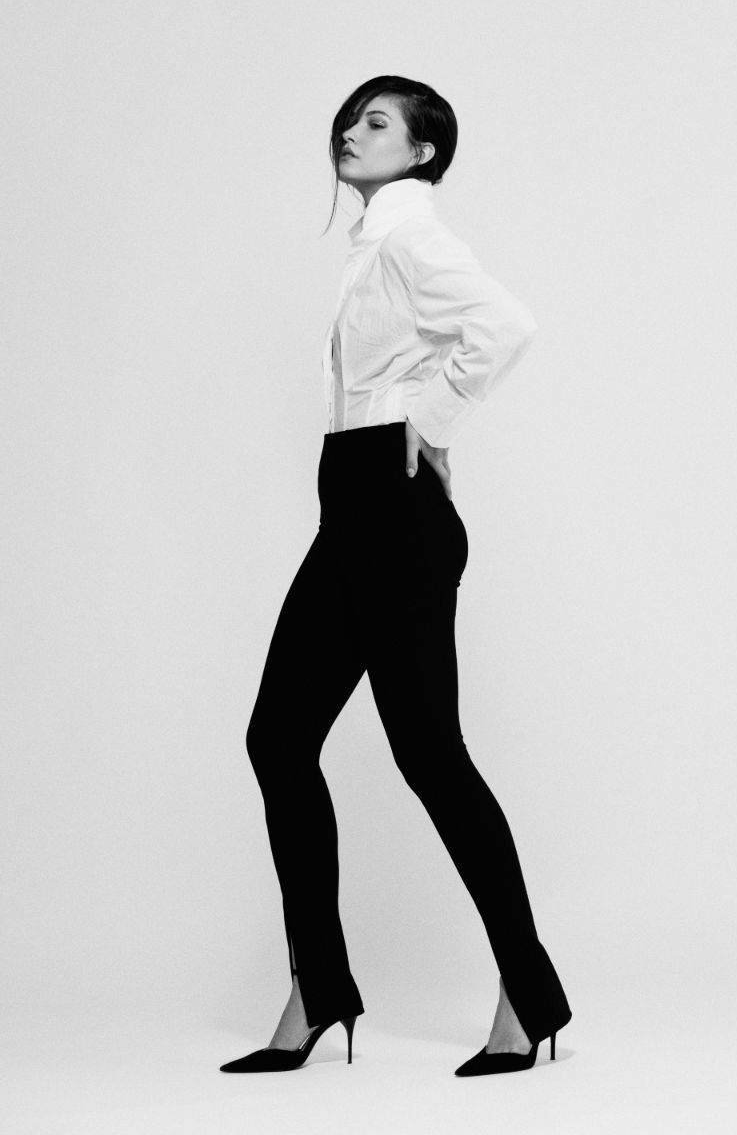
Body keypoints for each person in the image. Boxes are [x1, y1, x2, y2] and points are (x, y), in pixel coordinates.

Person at [219, 75, 572, 1078]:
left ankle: (526, 990)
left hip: (392, 515)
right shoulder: (375, 245)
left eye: (376, 122)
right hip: (357, 509)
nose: (350, 130)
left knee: (429, 757)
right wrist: (412, 423)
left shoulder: (413, 238)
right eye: (349, 117)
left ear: (420, 153)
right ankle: (318, 988)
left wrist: (431, 419)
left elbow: (507, 325)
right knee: (278, 739)